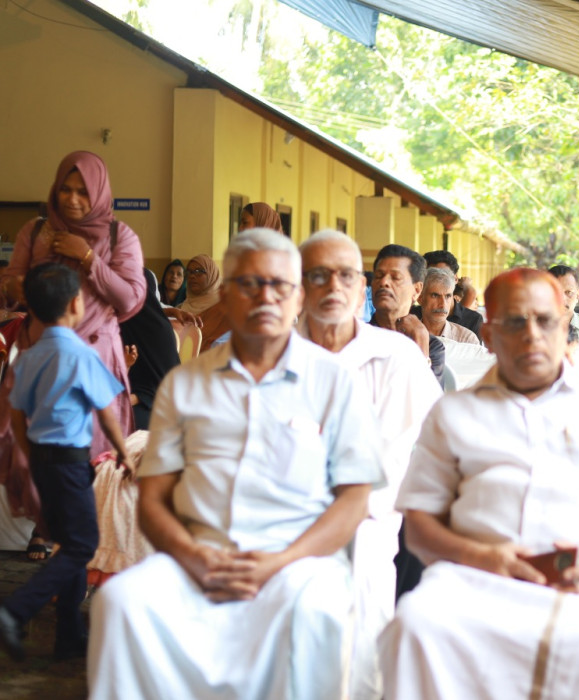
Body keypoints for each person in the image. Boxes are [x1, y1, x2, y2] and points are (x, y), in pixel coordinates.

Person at [88, 228, 384, 699]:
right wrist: (195, 558)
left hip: (297, 564)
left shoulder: (333, 382)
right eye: (249, 284)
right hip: (200, 557)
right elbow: (154, 499)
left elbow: (354, 500)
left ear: (298, 297)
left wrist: (282, 561)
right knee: (123, 600)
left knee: (318, 610)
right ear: (225, 296)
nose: (266, 297)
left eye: (280, 285)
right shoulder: (185, 384)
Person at [379, 268, 579, 699]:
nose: (532, 334)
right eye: (515, 322)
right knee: (418, 624)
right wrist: (484, 557)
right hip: (476, 577)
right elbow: (419, 527)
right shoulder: (453, 412)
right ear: (489, 337)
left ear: (564, 329)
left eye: (545, 321)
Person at [298, 230, 442, 700]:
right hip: (283, 525)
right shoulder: (273, 352)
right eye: (318, 276)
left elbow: (432, 436)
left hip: (367, 528)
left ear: (358, 288)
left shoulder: (399, 355)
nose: (332, 287)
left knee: (357, 662)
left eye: (345, 276)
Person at [0, 151, 144, 559]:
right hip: (41, 353)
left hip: (93, 354)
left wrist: (87, 258)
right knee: (30, 444)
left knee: (91, 446)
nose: (73, 199)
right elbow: (10, 282)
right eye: (65, 189)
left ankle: (81, 534)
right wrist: (22, 287)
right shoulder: (36, 230)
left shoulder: (120, 236)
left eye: (83, 191)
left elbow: (129, 299)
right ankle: (46, 527)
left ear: (99, 192)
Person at [0, 263, 133, 662]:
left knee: (68, 544)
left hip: (42, 460)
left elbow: (17, 416)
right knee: (82, 545)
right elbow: (107, 413)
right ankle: (15, 609)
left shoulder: (26, 357)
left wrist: (29, 455)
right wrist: (125, 452)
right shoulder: (80, 354)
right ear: (77, 304)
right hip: (70, 464)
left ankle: (69, 634)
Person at [371, 244, 446, 387]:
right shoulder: (357, 336)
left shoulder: (431, 346)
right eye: (378, 276)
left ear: (417, 290)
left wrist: (421, 347)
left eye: (396, 278)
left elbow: (427, 398)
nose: (384, 282)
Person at [120, 269, 181, 430]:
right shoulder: (111, 324)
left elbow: (168, 383)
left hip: (153, 403)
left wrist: (134, 398)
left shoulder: (158, 330)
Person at [422, 250, 483, 338]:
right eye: (431, 276)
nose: (438, 281)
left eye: (444, 275)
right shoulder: (412, 316)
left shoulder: (473, 320)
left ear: (455, 279)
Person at [176, 255, 230, 351]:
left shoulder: (225, 309)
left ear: (212, 275)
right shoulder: (180, 309)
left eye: (199, 271)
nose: (192, 276)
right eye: (189, 272)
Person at [417, 267, 480, 344]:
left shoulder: (467, 340)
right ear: (420, 298)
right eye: (435, 295)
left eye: (448, 296)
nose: (443, 304)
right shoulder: (406, 336)